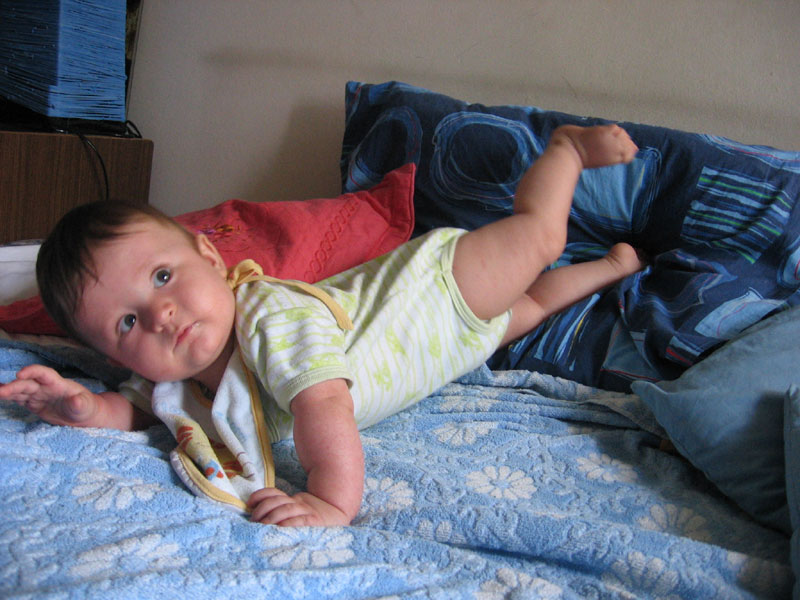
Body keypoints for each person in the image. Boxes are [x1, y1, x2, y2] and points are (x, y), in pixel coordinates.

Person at [0, 124, 642, 527]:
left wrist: (331, 501)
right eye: (127, 322)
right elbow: (139, 412)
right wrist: (80, 407)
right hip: (445, 348)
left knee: (540, 237)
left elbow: (324, 405)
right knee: (529, 311)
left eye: (163, 277)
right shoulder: (177, 381)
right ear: (119, 355)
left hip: (438, 291)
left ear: (211, 257)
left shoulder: (267, 318)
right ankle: (612, 267)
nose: (160, 315)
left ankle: (565, 151)